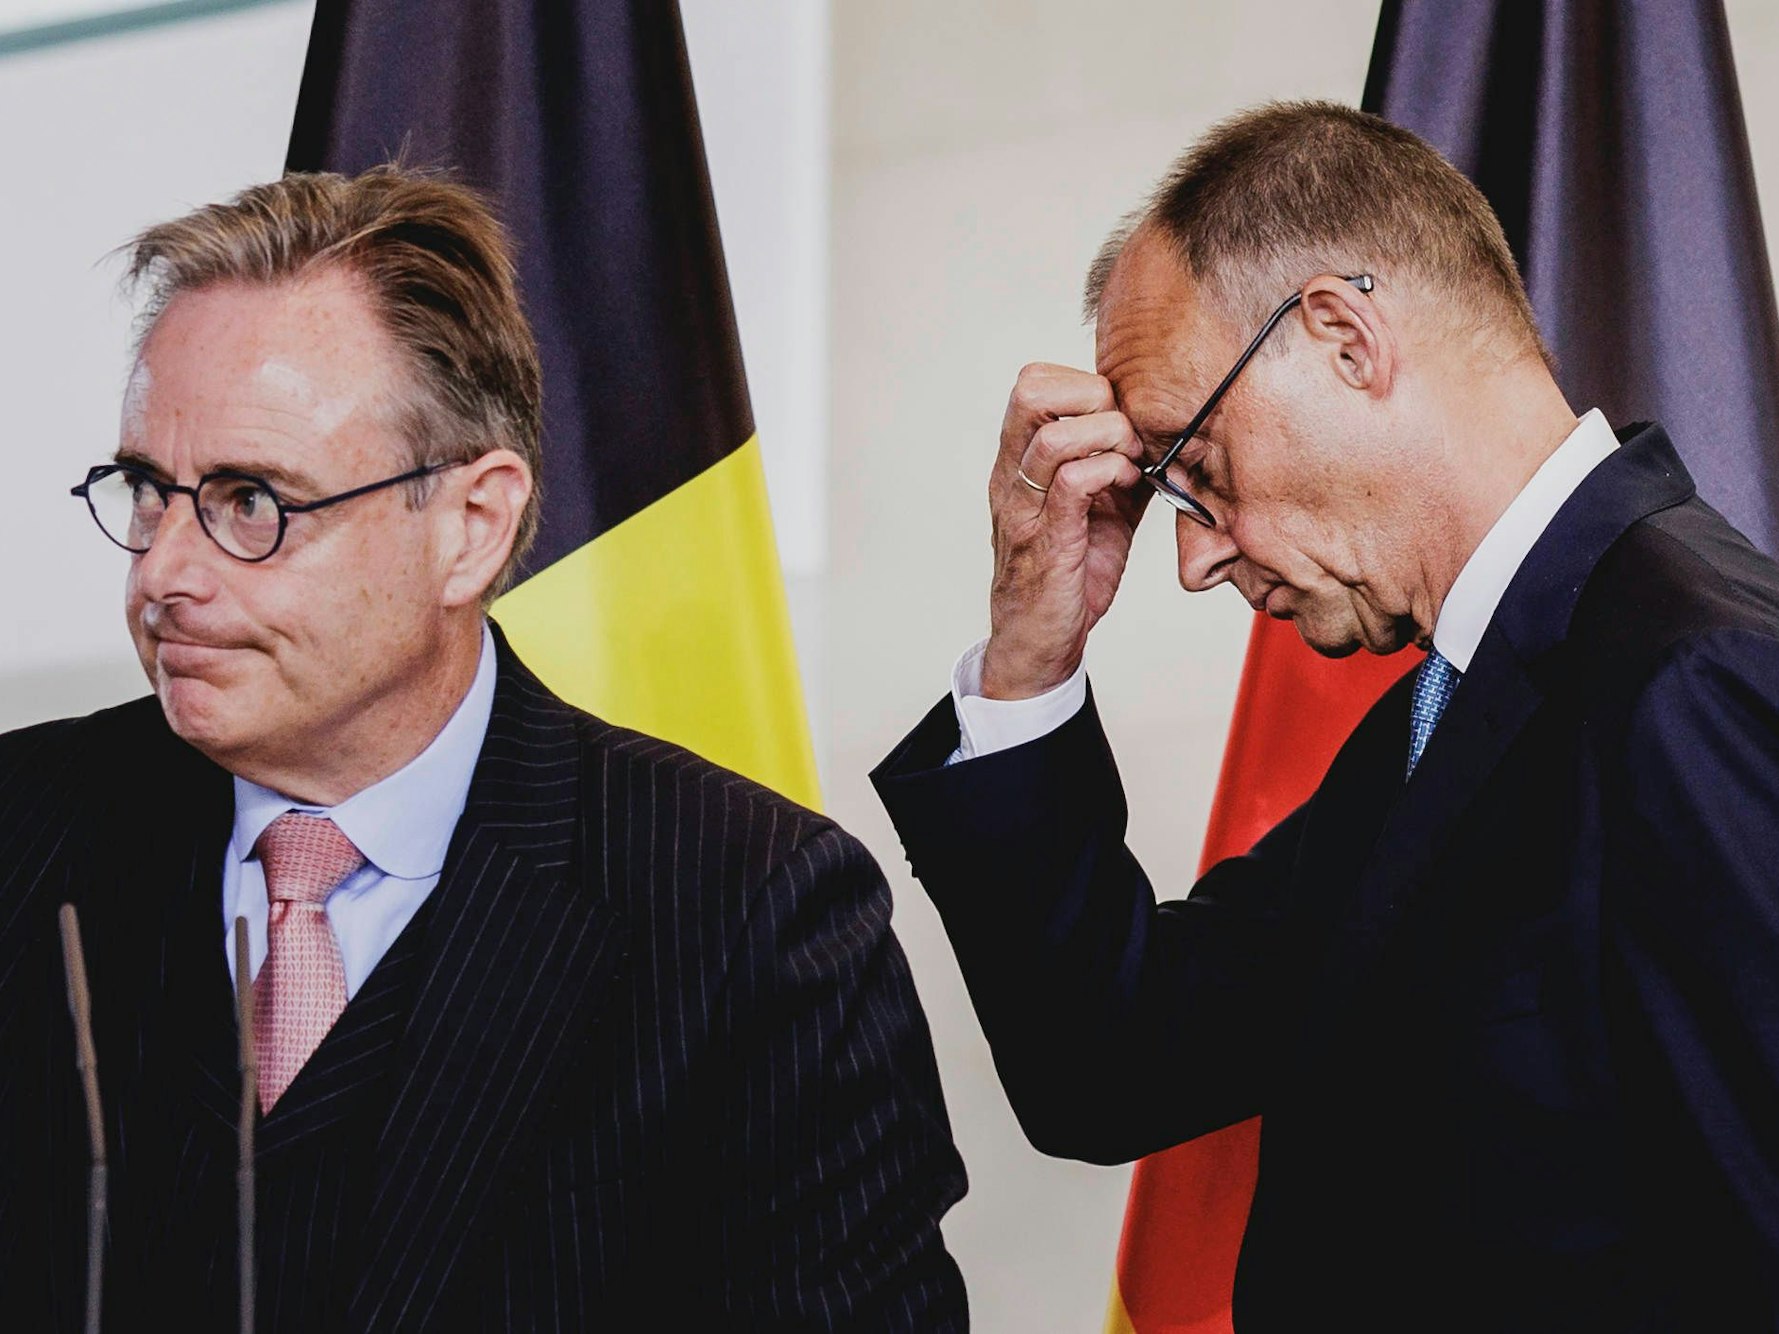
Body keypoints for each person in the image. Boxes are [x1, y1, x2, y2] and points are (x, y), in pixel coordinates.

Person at [0, 166, 967, 1332]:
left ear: (471, 524)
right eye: (150, 491)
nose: (162, 572)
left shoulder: (749, 913)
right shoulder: (25, 827)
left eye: (252, 500)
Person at [871, 100, 1779, 1330]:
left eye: (1198, 465)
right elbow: (1114, 1059)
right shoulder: (1449, 714)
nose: (1190, 561)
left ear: (1346, 339)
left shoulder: (1694, 678)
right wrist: (1033, 652)